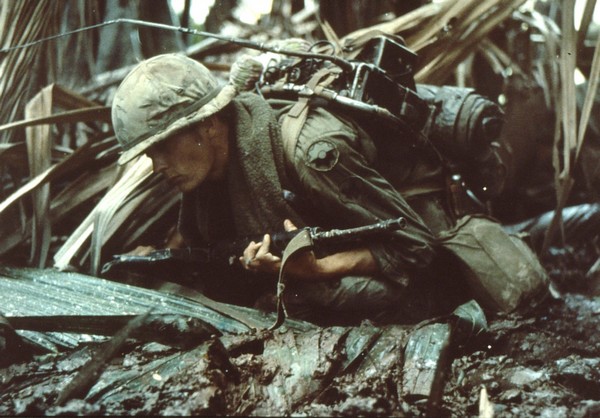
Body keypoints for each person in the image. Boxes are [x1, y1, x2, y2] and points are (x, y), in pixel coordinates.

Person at [110, 53, 501, 326]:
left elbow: (416, 246)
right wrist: (163, 257)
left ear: (209, 123)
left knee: (297, 302)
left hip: (421, 272)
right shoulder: (208, 170)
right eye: (148, 153)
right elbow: (208, 241)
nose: (157, 165)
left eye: (163, 146)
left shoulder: (310, 155)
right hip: (331, 259)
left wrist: (314, 269)